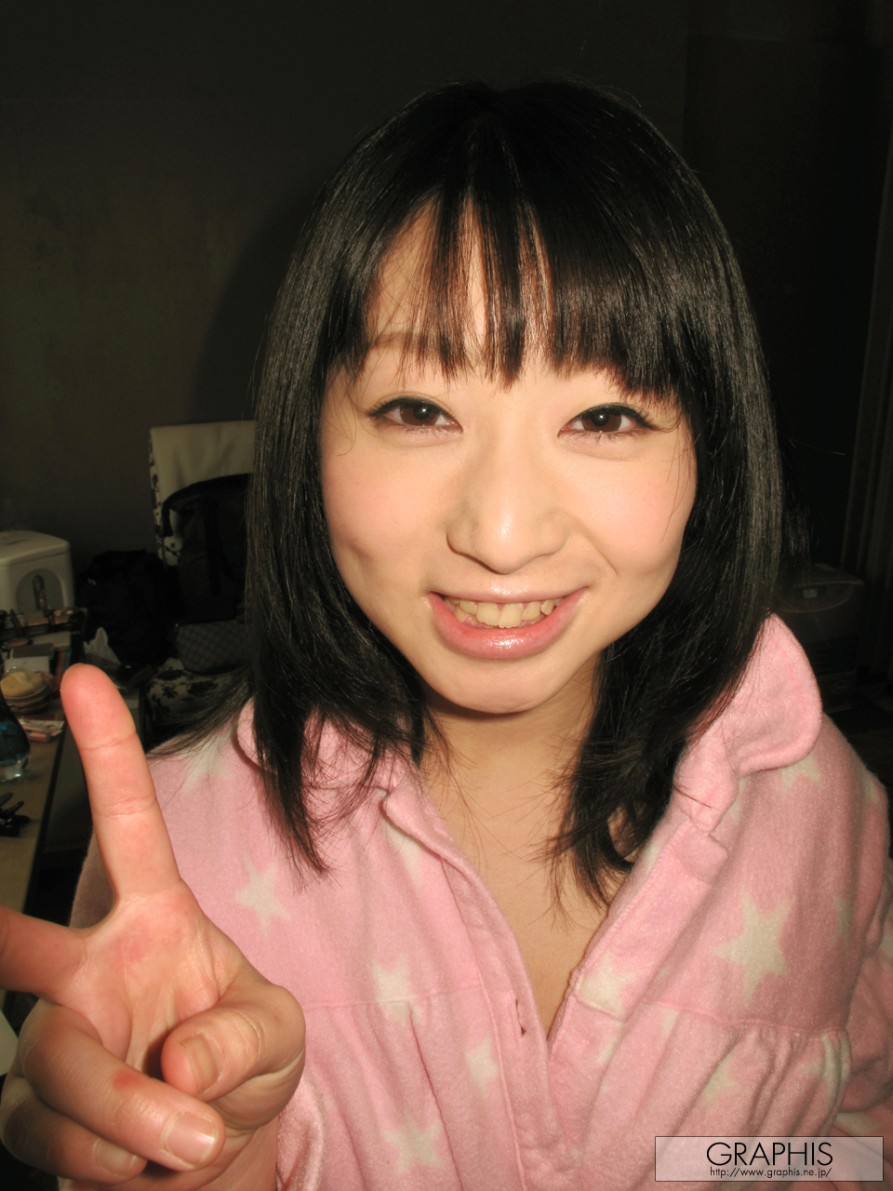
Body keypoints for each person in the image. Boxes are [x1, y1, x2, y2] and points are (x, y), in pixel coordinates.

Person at [0, 80, 890, 1190]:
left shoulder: (823, 804)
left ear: (707, 449)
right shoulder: (182, 859)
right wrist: (217, 1167)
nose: (502, 537)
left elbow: (853, 1124)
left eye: (603, 416)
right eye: (418, 411)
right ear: (308, 434)